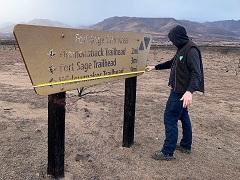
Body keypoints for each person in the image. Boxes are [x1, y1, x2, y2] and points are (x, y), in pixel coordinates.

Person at [146, 25, 204, 160]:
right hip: (180, 91)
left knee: (170, 118)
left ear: (178, 37)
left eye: (173, 40)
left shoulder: (191, 49)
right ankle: (185, 145)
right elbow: (172, 63)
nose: (172, 42)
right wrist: (155, 67)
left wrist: (190, 91)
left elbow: (197, 73)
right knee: (183, 116)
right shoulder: (182, 48)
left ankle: (167, 152)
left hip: (180, 92)